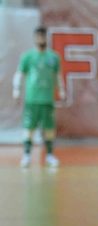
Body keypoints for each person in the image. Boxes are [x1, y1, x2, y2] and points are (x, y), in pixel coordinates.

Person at [12, 26, 65, 169]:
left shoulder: (53, 57)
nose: (40, 39)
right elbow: (19, 74)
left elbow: (58, 75)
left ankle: (49, 155)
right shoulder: (27, 57)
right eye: (38, 36)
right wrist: (16, 90)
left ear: (46, 38)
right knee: (29, 128)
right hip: (32, 100)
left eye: (43, 36)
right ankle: (27, 155)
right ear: (35, 38)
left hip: (47, 99)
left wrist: (61, 91)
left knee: (49, 129)